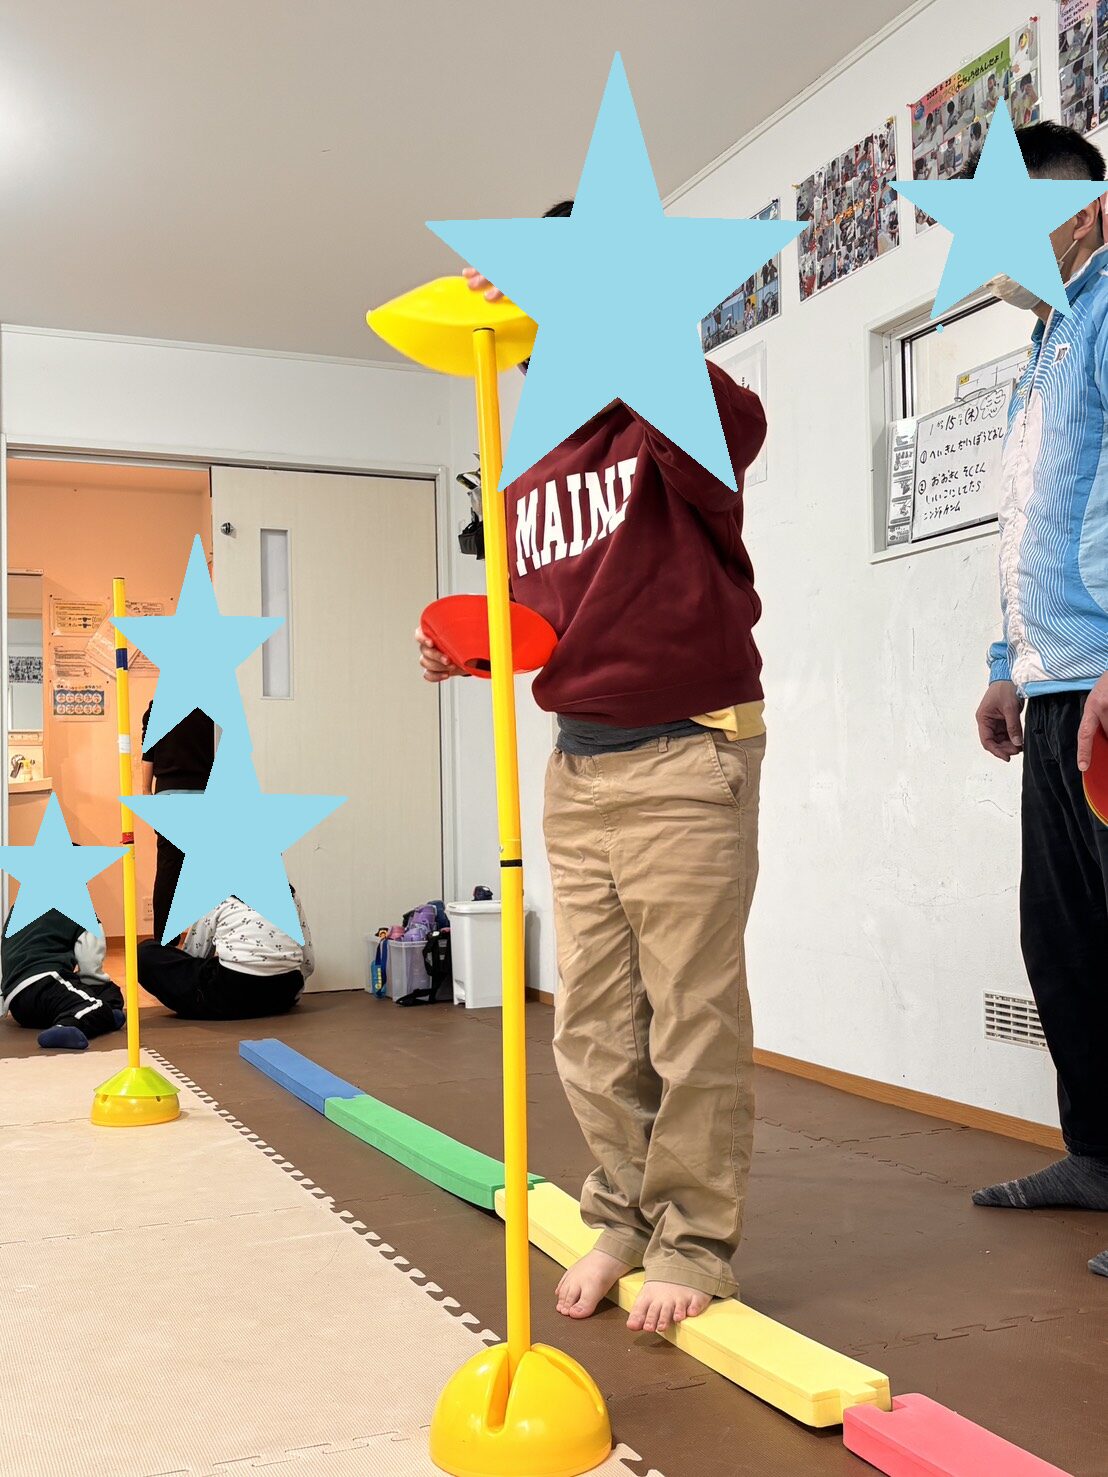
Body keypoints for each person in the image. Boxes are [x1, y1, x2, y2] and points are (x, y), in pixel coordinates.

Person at [416, 200, 768, 1336]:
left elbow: (735, 426)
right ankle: (621, 1210)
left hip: (687, 752)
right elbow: (551, 623)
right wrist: (473, 650)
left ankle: (694, 1239)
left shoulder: (670, 413)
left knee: (690, 1016)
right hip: (578, 762)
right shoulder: (528, 460)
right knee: (593, 1025)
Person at [969, 122, 1108, 1280]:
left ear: (1083, 212)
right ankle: (1097, 1156)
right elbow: (1030, 514)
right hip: (1052, 688)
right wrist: (1004, 663)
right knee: (1062, 940)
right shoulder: (1044, 345)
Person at [137, 889, 313, 1019]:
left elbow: (195, 952)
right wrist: (294, 990)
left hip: (231, 992)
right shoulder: (290, 893)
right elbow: (308, 960)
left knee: (144, 952)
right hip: (285, 992)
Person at [140, 703, 216, 941]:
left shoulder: (156, 709)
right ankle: (205, 944)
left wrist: (146, 791)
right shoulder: (210, 709)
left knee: (168, 870)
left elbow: (148, 756)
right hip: (204, 795)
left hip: (168, 795)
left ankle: (164, 943)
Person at [1, 907, 124, 1050]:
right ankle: (67, 1026)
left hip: (17, 1003)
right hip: (46, 981)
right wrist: (99, 988)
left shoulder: (18, 907)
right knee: (97, 1006)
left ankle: (102, 1015)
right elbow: (90, 963)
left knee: (78, 996)